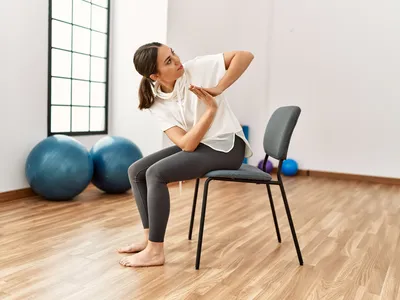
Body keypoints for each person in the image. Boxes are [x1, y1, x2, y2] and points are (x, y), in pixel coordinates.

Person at [118, 42, 254, 267]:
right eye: (168, 61)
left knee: (156, 174)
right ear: (155, 75)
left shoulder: (196, 68)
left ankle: (155, 251)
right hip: (201, 145)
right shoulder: (156, 101)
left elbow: (245, 55)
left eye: (173, 54)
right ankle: (148, 239)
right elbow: (186, 144)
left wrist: (219, 89)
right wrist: (210, 111)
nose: (177, 61)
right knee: (137, 171)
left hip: (227, 146)